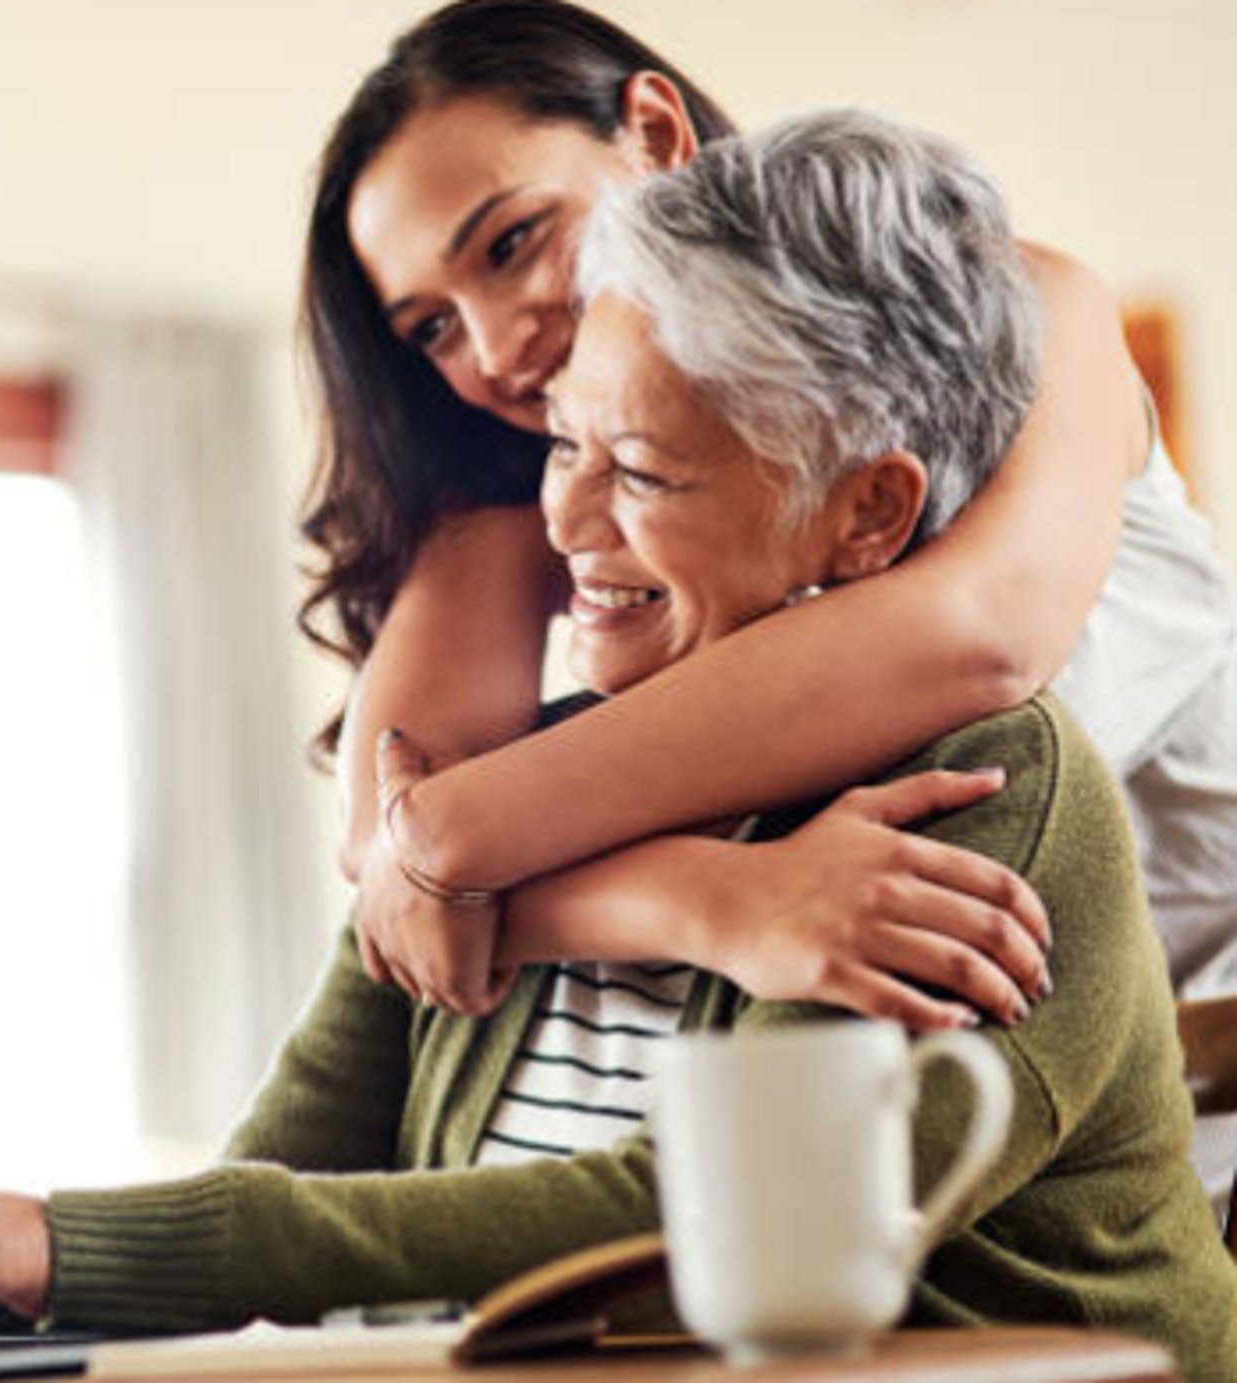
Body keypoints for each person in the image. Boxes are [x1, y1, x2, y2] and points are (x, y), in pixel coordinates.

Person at [0, 110, 1237, 1382]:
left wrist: (61, 1239)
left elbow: (679, 1241)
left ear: (868, 514)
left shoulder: (983, 794)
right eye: (561, 442)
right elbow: (293, 1170)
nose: (564, 524)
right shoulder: (542, 777)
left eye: (640, 469)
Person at [302, 0, 1237, 1211]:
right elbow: (388, 848)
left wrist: (456, 848)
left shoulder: (1026, 309)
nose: (493, 347)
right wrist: (710, 901)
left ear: (651, 130)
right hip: (915, 1111)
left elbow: (978, 639)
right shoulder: (535, 474)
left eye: (512, 243)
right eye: (430, 327)